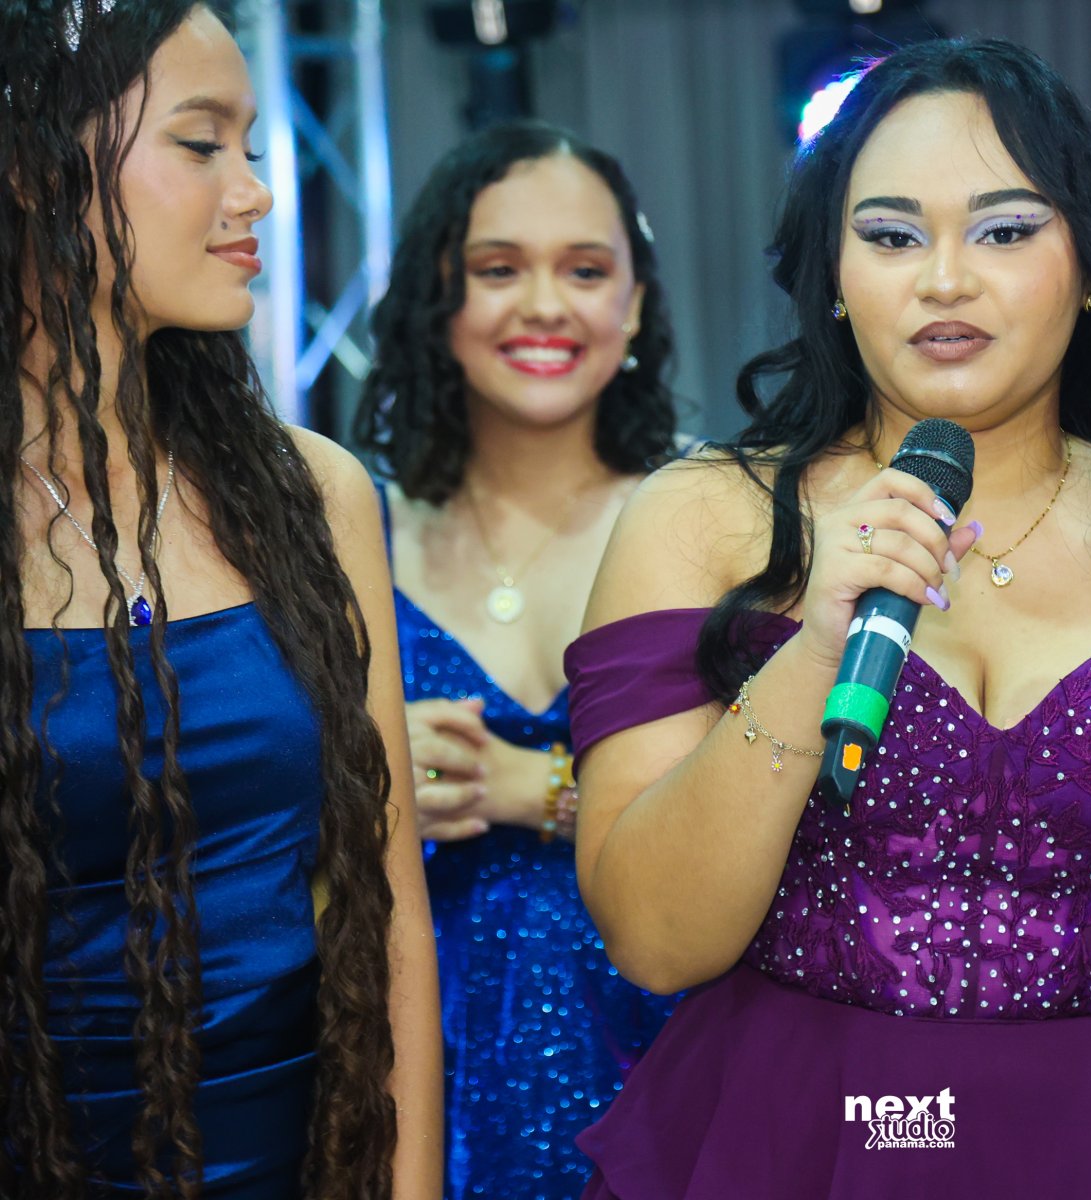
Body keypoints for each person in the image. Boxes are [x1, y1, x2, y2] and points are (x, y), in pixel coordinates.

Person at [563, 37, 1091, 1199]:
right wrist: (813, 649)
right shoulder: (699, 520)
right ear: (835, 277)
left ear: (1089, 267)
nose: (944, 279)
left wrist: (1022, 1079)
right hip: (792, 1144)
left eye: (1004, 230)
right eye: (891, 236)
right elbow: (653, 938)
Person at [2, 3, 442, 1197]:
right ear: (33, 165)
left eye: (252, 145)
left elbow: (388, 905)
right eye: (202, 144)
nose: (256, 193)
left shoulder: (312, 494)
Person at [356, 120, 680, 1199]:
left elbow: (799, 806)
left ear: (635, 304)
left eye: (584, 271)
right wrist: (358, 782)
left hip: (669, 1049)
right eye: (499, 270)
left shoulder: (714, 523)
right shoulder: (347, 530)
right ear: (435, 296)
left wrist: (539, 790)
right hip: (415, 1065)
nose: (545, 306)